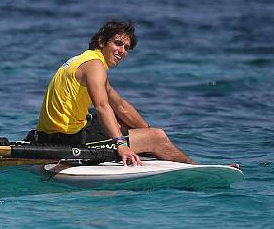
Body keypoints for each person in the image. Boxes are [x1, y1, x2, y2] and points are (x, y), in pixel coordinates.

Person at [28, 20, 194, 166]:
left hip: (50, 133)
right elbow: (101, 105)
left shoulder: (85, 60)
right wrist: (122, 144)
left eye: (126, 48)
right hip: (65, 140)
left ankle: (146, 144)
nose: (122, 51)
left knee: (127, 122)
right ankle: (191, 168)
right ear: (101, 42)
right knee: (157, 137)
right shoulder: (95, 65)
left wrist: (146, 130)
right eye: (117, 43)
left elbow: (120, 106)